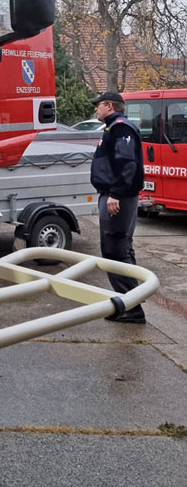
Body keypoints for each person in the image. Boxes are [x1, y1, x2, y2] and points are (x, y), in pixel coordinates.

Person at [89, 91, 146, 322]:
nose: (96, 109)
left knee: (115, 250)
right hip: (114, 195)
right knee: (120, 248)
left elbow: (127, 164)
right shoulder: (113, 127)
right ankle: (127, 304)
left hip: (118, 198)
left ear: (109, 106)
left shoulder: (121, 128)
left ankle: (131, 308)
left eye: (98, 105)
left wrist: (115, 194)